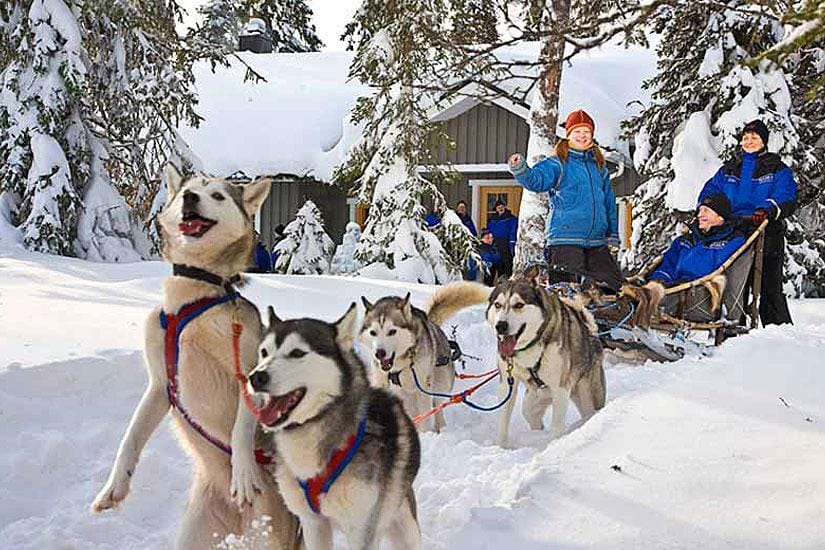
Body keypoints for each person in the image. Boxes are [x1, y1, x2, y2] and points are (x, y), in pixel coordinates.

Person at [508, 109, 622, 291]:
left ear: (592, 135)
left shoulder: (599, 168)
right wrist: (521, 169)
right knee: (566, 292)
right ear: (568, 135)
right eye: (577, 132)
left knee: (611, 287)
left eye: (586, 132)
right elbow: (536, 180)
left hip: (597, 242)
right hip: (565, 241)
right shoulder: (558, 163)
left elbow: (608, 204)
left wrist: (612, 234)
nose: (582, 136)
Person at [697, 119, 797, 326]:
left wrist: (767, 209)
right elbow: (711, 191)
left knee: (768, 284)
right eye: (746, 137)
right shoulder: (730, 169)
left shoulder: (776, 168)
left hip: (765, 229)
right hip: (732, 230)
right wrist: (707, 209)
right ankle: (734, 324)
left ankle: (777, 329)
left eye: (754, 137)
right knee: (733, 279)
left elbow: (786, 195)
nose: (749, 141)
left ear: (764, 141)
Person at [648, 193, 746, 285]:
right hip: (674, 289)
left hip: (700, 290)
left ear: (721, 216)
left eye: (706, 210)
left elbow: (709, 268)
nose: (699, 215)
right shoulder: (684, 241)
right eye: (699, 211)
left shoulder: (733, 241)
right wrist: (659, 280)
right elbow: (668, 264)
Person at [486, 199, 518, 277]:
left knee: (507, 265)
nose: (500, 208)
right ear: (496, 209)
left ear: (505, 207)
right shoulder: (492, 219)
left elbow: (513, 230)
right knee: (497, 264)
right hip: (495, 244)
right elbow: (489, 230)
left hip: (506, 244)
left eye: (502, 206)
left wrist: (512, 242)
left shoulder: (511, 218)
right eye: (498, 207)